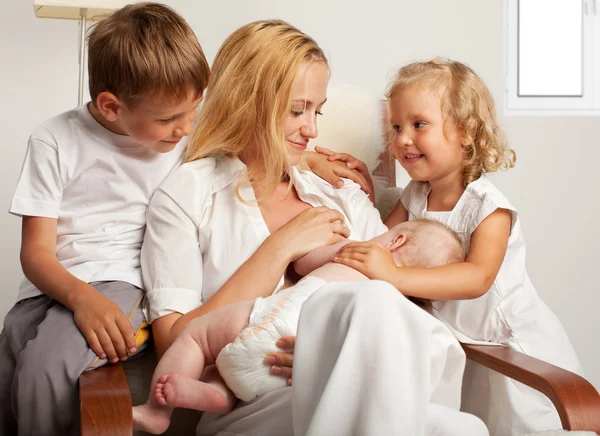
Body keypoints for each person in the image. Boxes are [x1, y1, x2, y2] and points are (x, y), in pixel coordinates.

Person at [141, 20, 487, 436]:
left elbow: (402, 308)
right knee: (373, 303)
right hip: (253, 406)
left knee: (462, 429)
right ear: (247, 100)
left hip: (365, 383)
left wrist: (331, 353)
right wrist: (279, 249)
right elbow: (173, 338)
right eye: (296, 110)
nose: (312, 129)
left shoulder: (337, 191)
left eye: (317, 110)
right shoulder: (189, 194)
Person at [331, 58, 583, 435]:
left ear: (466, 132)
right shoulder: (415, 195)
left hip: (510, 343)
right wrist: (365, 184)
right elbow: (380, 243)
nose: (402, 139)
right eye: (396, 127)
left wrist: (396, 277)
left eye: (419, 125)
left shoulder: (486, 206)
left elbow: (476, 277)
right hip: (462, 343)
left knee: (520, 423)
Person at [0, 3, 210, 435]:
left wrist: (317, 164)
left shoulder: (187, 140)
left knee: (46, 365)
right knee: (11, 356)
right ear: (110, 106)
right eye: (170, 118)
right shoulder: (54, 139)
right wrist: (79, 298)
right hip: (52, 285)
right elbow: (36, 252)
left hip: (123, 280)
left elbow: (259, 147)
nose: (186, 128)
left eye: (193, 111)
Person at [133, 218, 465, 434]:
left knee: (199, 338)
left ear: (396, 240)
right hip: (290, 379)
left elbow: (303, 262)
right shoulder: (400, 300)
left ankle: (161, 410)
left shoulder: (360, 252)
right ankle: (220, 397)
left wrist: (327, 243)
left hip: (276, 325)